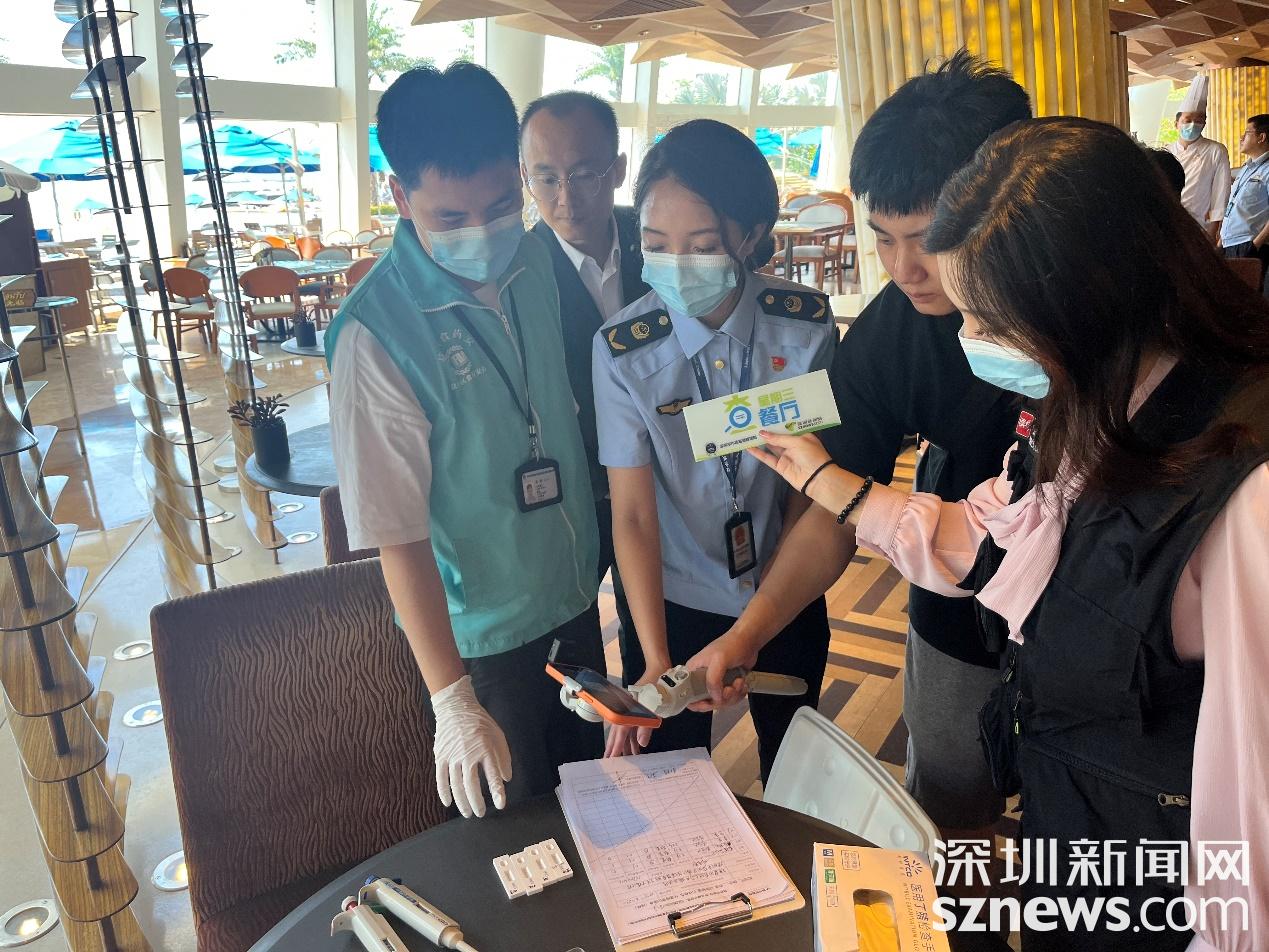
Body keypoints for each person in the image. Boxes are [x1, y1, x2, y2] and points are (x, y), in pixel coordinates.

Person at [695, 117, 1269, 952]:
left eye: (989, 320)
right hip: (1079, 820)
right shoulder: (1089, 402)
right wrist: (825, 481)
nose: (970, 342)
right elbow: (996, 537)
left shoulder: (1241, 489)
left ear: (1083, 299)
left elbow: (1248, 819)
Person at [663, 53, 1029, 848]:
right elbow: (832, 506)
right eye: (883, 240)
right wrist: (748, 634)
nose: (904, 270)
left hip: (1099, 617)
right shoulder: (898, 324)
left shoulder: (1099, 323)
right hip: (956, 594)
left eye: (927, 241)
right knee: (948, 806)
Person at [326, 64, 602, 819]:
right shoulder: (375, 334)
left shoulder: (534, 260)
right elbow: (397, 536)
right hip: (481, 638)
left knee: (592, 804)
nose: (482, 233)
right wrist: (451, 698)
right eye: (450, 217)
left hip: (573, 598)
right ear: (399, 195)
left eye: (502, 205)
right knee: (519, 840)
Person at [591, 119, 836, 783]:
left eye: (700, 246)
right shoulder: (622, 348)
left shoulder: (805, 326)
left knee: (794, 766)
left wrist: (767, 609)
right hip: (672, 596)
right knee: (670, 774)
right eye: (654, 244)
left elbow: (810, 490)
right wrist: (653, 658)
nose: (675, 264)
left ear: (749, 235)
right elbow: (632, 515)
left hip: (783, 583)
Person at [519, 91, 648, 656]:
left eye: (584, 175)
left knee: (660, 644)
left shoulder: (659, 240)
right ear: (525, 177)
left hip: (667, 488)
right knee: (571, 644)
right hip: (572, 498)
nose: (565, 199)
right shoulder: (515, 272)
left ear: (617, 170)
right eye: (546, 178)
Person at [1167, 74, 1231, 243]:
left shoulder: (1216, 150)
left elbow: (1220, 193)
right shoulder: (1166, 151)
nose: (1193, 125)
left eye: (1198, 121)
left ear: (1204, 124)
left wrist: (1213, 231)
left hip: (1201, 226)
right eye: (1188, 120)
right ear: (1176, 123)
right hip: (1168, 223)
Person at [1220, 113, 1269, 287]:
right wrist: (1220, 240)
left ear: (1261, 137)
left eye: (1247, 133)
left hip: (1250, 245)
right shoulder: (1246, 168)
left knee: (1247, 297)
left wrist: (1255, 245)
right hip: (1228, 244)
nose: (1241, 138)